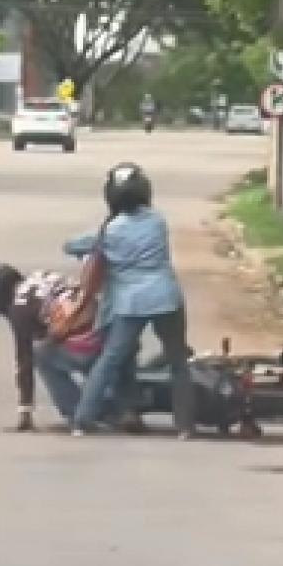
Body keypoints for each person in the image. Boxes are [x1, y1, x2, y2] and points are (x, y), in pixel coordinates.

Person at [69, 162, 196, 438]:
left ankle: (82, 420)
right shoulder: (157, 221)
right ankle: (185, 426)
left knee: (110, 359)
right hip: (166, 297)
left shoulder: (111, 230)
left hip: (130, 304)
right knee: (178, 362)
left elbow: (77, 245)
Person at [0, 263, 142, 433]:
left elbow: (24, 362)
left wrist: (25, 410)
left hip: (88, 347)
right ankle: (124, 407)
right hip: (114, 334)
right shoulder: (42, 276)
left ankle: (76, 410)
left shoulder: (18, 307)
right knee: (64, 340)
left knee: (40, 353)